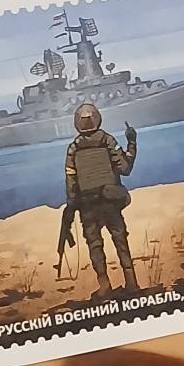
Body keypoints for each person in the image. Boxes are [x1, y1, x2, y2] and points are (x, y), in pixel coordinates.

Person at [64, 103, 138, 293]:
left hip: (87, 205)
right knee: (120, 240)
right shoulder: (108, 140)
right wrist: (131, 143)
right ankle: (131, 283)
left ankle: (104, 287)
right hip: (110, 202)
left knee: (94, 245)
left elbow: (71, 181)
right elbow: (125, 168)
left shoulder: (73, 148)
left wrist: (72, 205)